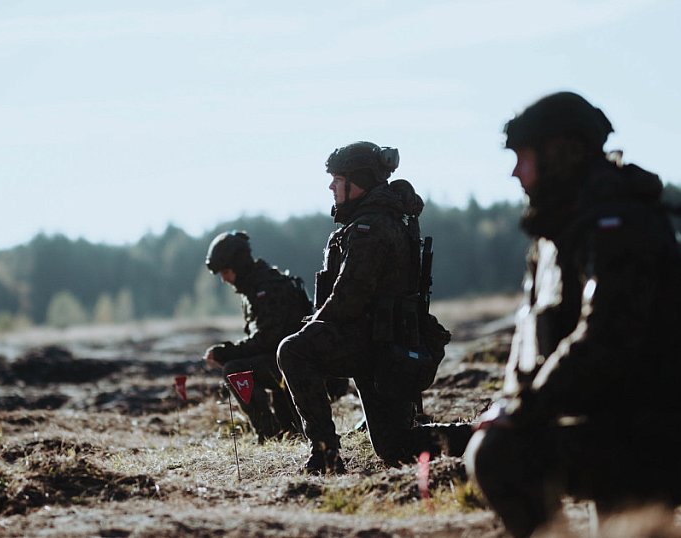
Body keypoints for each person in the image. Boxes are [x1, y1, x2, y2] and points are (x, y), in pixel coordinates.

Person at [465, 91, 681, 537]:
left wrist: (524, 409)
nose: (515, 172)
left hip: (654, 429)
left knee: (499, 453)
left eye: (524, 158)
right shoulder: (557, 232)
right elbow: (535, 339)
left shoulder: (618, 225)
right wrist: (510, 401)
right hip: (611, 420)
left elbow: (606, 335)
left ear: (560, 153)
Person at [277, 141, 450, 474]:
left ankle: (325, 456)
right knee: (396, 448)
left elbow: (349, 298)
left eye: (337, 179)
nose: (331, 186)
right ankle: (477, 436)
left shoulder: (370, 229)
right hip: (385, 344)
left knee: (294, 350)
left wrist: (314, 326)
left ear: (357, 182)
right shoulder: (386, 220)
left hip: (373, 345)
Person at [203, 230, 310, 442]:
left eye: (225, 271)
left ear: (238, 266)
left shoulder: (267, 287)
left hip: (297, 366)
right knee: (292, 431)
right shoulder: (255, 287)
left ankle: (268, 433)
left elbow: (268, 340)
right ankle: (281, 429)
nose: (224, 279)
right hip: (284, 365)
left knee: (234, 369)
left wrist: (226, 353)